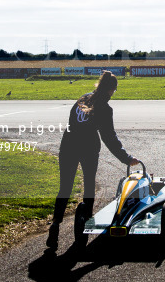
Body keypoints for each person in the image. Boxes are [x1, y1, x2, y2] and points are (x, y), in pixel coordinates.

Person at [47, 70, 139, 249]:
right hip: (88, 148)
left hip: (67, 146)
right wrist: (126, 158)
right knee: (89, 186)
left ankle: (55, 224)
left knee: (65, 187)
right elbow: (109, 137)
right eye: (115, 90)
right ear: (111, 89)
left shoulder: (82, 99)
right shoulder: (105, 108)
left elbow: (71, 124)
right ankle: (84, 226)